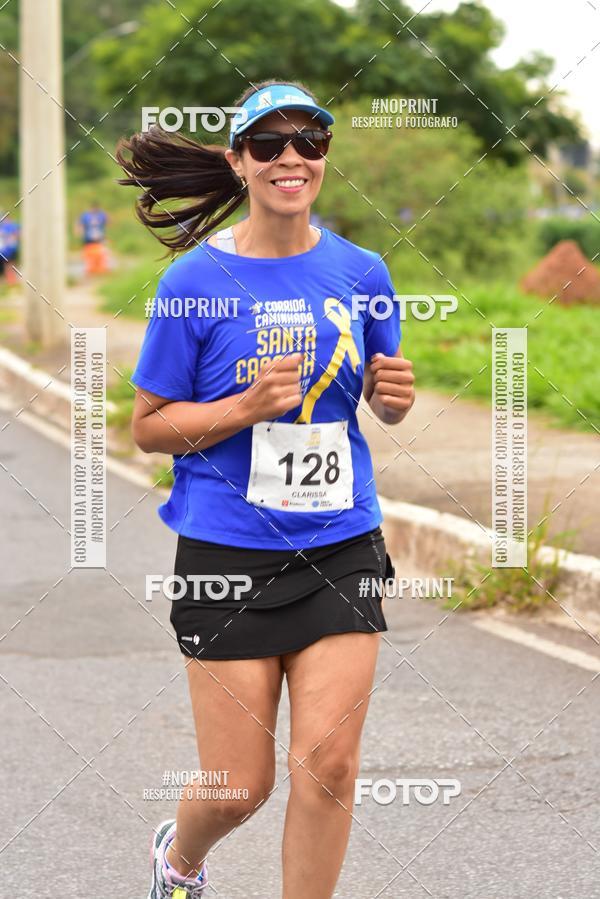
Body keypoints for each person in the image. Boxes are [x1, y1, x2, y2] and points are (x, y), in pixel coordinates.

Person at [117, 79, 415, 899]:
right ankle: (179, 858)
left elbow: (380, 397)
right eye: (269, 143)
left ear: (324, 157)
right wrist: (242, 408)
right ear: (239, 161)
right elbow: (147, 426)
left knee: (327, 763)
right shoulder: (191, 283)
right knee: (239, 785)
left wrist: (393, 397)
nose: (292, 157)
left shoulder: (363, 270)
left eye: (309, 141)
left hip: (341, 544)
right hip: (227, 553)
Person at [77, 202, 109, 275]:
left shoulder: (101, 215)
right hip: (89, 240)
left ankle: (100, 270)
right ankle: (91, 270)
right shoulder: (85, 216)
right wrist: (79, 231)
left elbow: (107, 222)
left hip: (99, 239)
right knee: (90, 256)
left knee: (100, 255)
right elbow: (80, 225)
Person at [0, 213, 20, 285]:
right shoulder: (3, 227)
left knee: (10, 265)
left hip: (10, 250)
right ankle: (10, 281)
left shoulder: (12, 226)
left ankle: (12, 281)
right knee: (8, 265)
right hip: (5, 251)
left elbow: (17, 234)